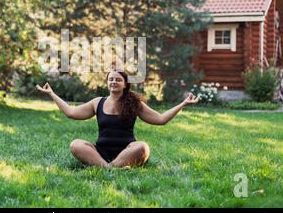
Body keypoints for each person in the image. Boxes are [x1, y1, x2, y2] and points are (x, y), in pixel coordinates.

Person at [36, 69, 200, 168]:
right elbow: (71, 113)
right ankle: (110, 168)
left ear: (125, 84)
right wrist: (52, 94)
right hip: (100, 152)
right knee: (75, 144)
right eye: (111, 79)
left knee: (142, 147)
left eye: (118, 79)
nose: (114, 82)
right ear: (107, 82)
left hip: (127, 151)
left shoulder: (134, 103)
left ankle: (107, 167)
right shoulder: (97, 102)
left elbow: (161, 119)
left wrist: (183, 103)